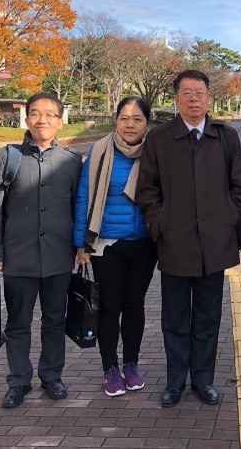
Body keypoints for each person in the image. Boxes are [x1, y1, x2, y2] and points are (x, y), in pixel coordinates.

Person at [136, 69, 241, 408]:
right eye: (186, 93)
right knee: (174, 319)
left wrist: (227, 220)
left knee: (208, 319)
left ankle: (203, 380)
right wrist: (161, 224)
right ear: (176, 98)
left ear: (208, 97)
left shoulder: (226, 136)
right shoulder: (159, 138)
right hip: (174, 244)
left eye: (199, 92)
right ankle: (175, 381)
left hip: (214, 246)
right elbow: (147, 190)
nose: (194, 99)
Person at [0, 92, 83, 409]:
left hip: (58, 257)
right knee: (17, 323)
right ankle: (18, 380)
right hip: (18, 257)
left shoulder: (71, 160)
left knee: (55, 321)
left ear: (60, 121)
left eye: (50, 114)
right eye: (36, 113)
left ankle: (52, 376)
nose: (43, 120)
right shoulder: (8, 157)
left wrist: (81, 245)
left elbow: (78, 207)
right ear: (26, 119)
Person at [73, 96, 157, 397]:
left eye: (137, 119)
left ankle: (131, 364)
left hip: (145, 243)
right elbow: (84, 197)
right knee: (109, 306)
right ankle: (110, 367)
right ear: (116, 120)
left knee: (135, 306)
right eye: (124, 118)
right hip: (107, 244)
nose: (130, 124)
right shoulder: (99, 152)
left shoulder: (157, 152)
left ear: (147, 123)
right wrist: (81, 242)